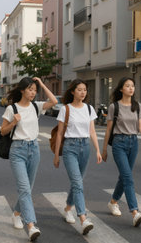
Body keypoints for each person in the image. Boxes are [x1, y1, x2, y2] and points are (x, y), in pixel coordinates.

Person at [0, 77, 57, 241]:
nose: (33, 92)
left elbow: (53, 100)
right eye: (30, 89)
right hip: (17, 150)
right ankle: (31, 225)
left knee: (28, 189)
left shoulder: (36, 106)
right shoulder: (12, 109)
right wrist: (13, 123)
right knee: (24, 189)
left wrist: (41, 83)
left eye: (35, 90)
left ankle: (17, 213)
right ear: (22, 90)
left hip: (34, 149)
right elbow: (3, 131)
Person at [102, 77, 141, 227]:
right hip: (119, 144)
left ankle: (113, 202)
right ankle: (135, 212)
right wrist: (104, 149)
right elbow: (108, 130)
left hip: (133, 143)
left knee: (125, 177)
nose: (131, 88)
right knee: (128, 178)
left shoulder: (137, 106)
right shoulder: (114, 107)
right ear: (121, 89)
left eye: (132, 86)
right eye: (127, 86)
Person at [53, 79, 102, 235]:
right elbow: (60, 133)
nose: (83, 92)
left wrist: (98, 150)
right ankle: (83, 218)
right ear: (73, 91)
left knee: (77, 183)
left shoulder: (89, 109)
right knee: (77, 183)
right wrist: (56, 156)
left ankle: (68, 208)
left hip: (85, 147)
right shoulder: (65, 109)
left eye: (85, 90)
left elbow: (92, 131)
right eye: (79, 89)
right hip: (70, 148)